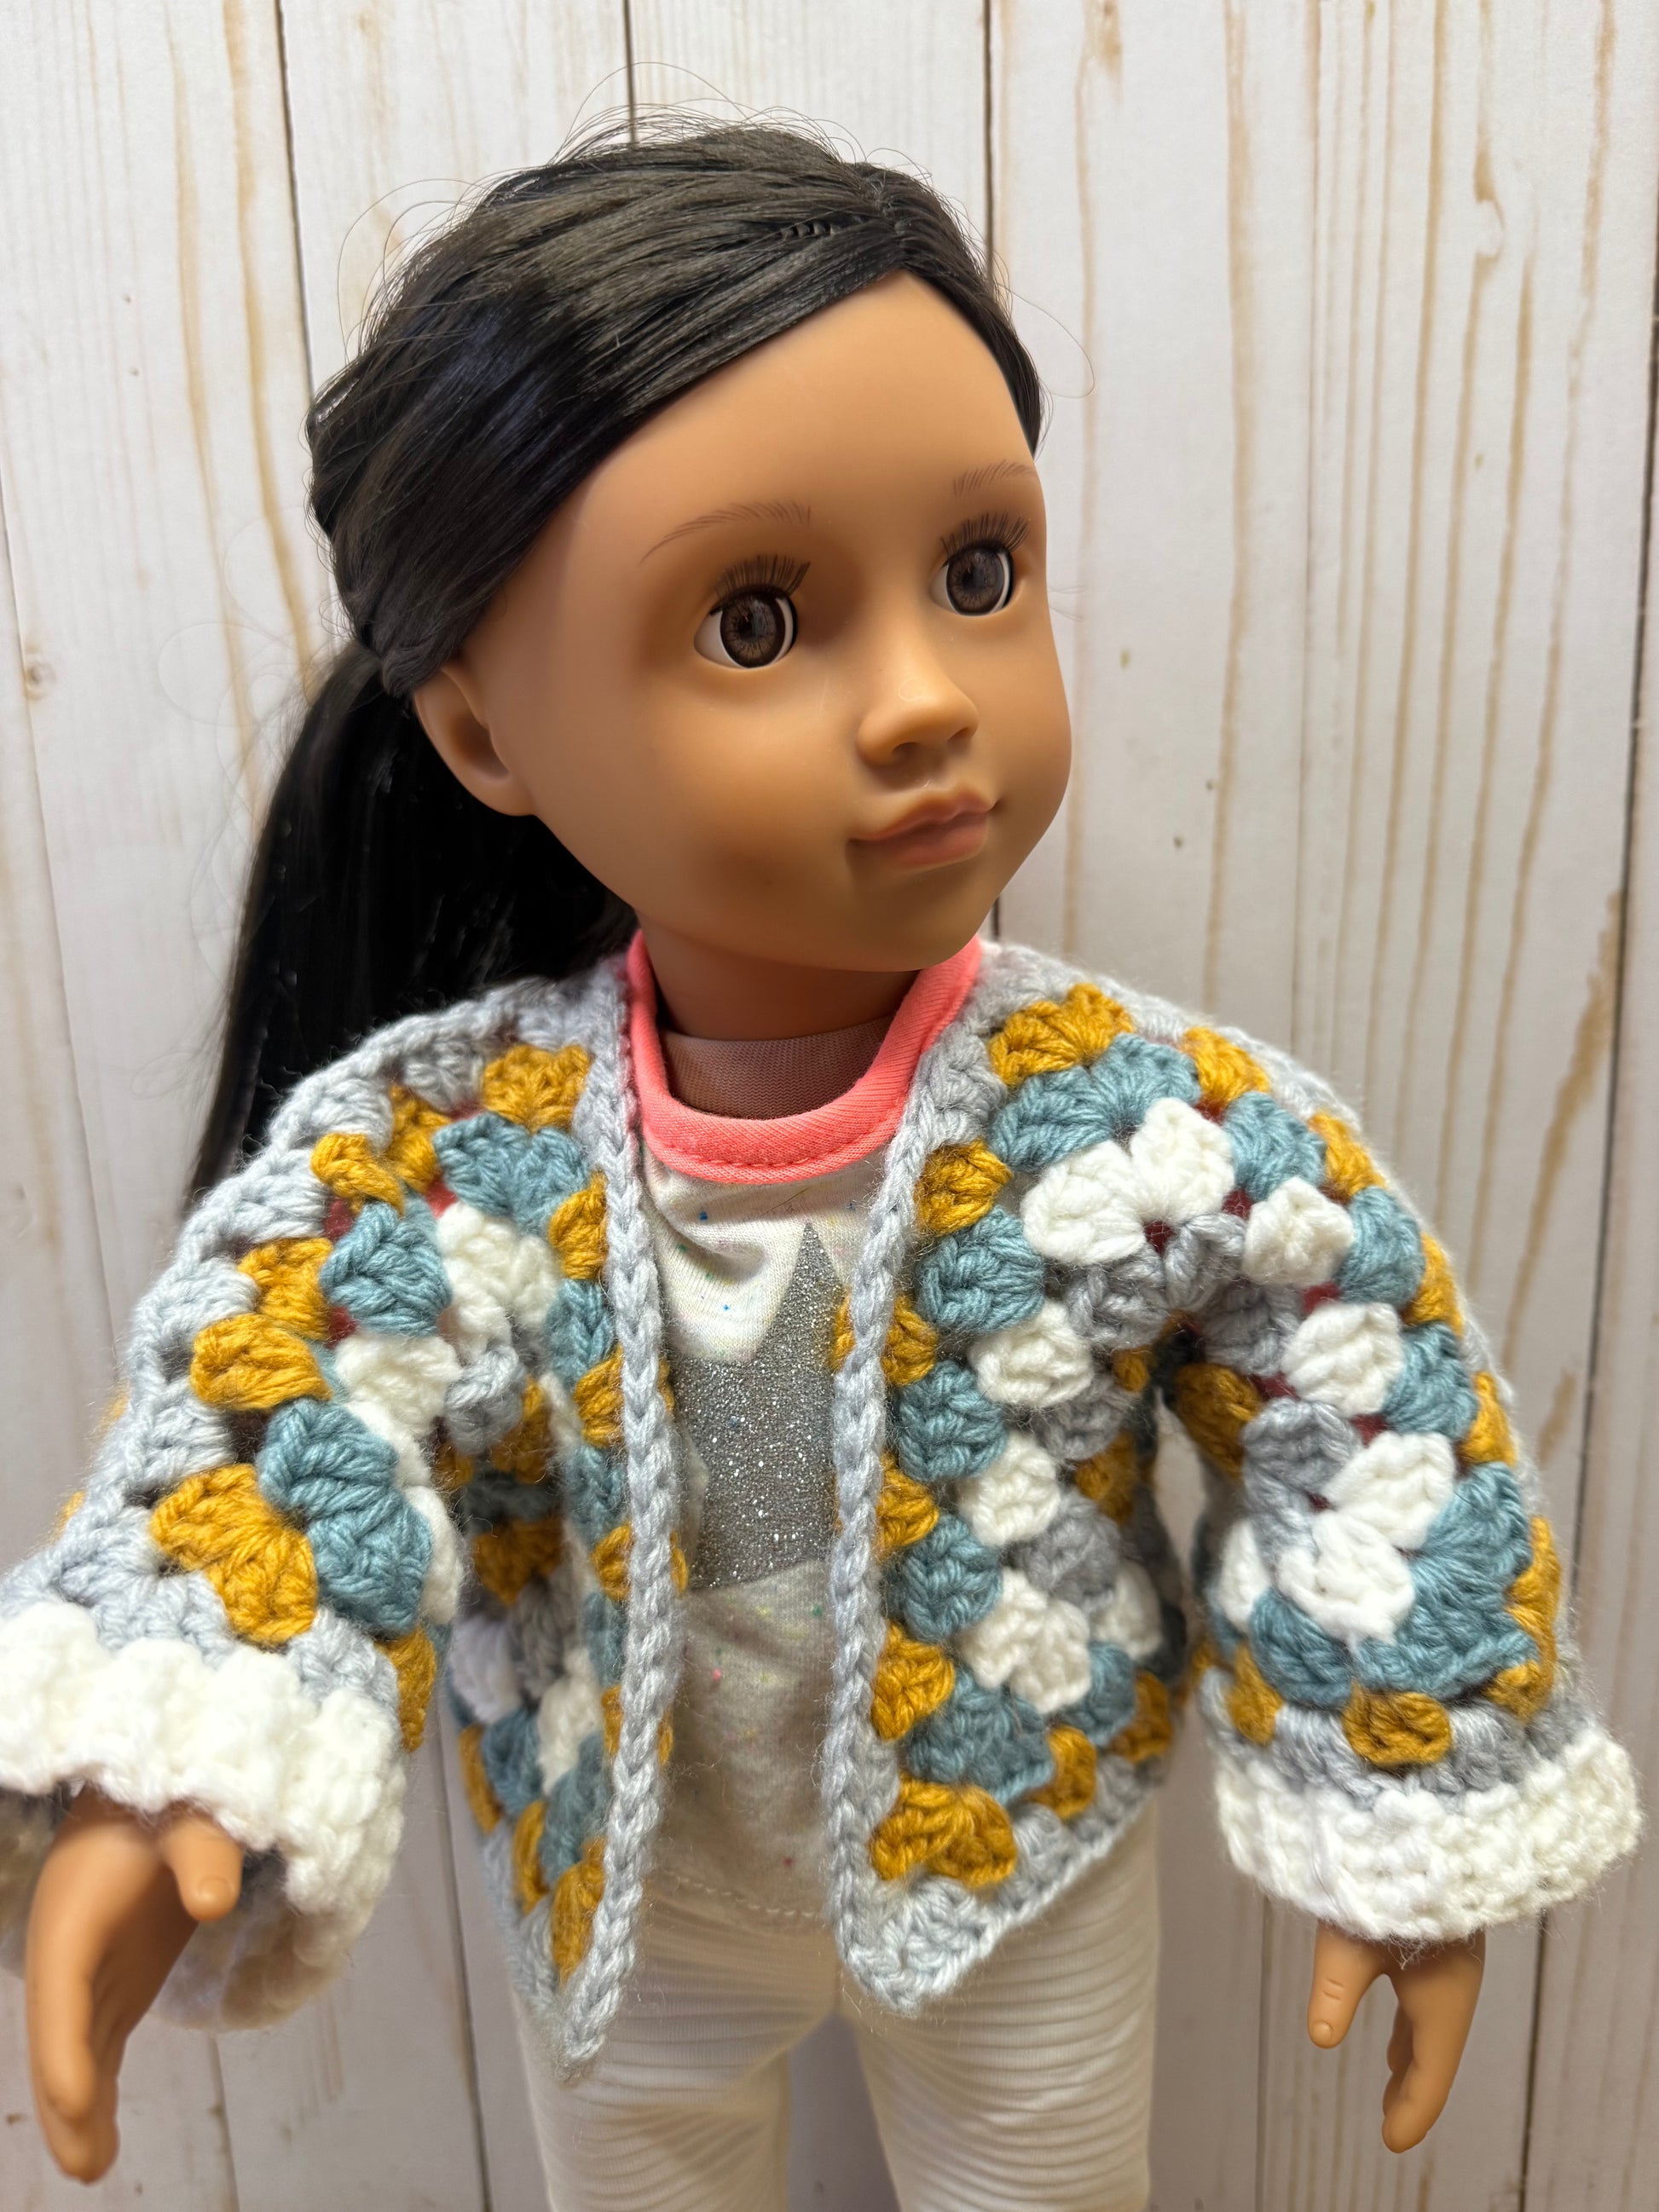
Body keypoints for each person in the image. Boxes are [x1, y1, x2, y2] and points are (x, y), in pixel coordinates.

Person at [0, 116, 1638, 2212]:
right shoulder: (436, 1166)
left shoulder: (1142, 1134)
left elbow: (1361, 1390)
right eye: (759, 620)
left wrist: (1402, 1772)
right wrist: (171, 1752)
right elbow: (280, 1426)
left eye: (979, 573)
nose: (925, 702)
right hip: (625, 1899)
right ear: (484, 734)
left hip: (1015, 1847)